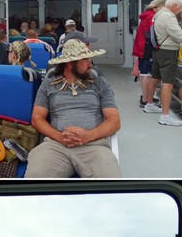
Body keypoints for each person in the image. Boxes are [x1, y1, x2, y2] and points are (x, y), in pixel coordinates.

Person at [25, 39, 121, 178]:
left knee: (110, 185)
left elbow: (114, 120)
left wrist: (88, 136)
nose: (90, 64)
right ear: (70, 63)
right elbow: (37, 118)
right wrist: (59, 137)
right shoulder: (49, 84)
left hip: (93, 146)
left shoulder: (100, 83)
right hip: (55, 145)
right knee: (35, 179)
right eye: (85, 60)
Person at [142, 0, 182, 126]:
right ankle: (165, 116)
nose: (180, 11)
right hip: (168, 51)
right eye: (180, 8)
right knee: (168, 83)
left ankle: (149, 104)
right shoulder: (168, 16)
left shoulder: (158, 14)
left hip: (158, 50)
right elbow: (179, 35)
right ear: (175, 6)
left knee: (155, 77)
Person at [132, 0, 164, 108]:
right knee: (147, 75)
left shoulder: (147, 16)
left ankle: (144, 96)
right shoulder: (152, 17)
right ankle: (146, 99)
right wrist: (157, 46)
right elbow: (152, 34)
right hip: (147, 48)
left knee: (143, 74)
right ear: (157, 7)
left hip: (142, 48)